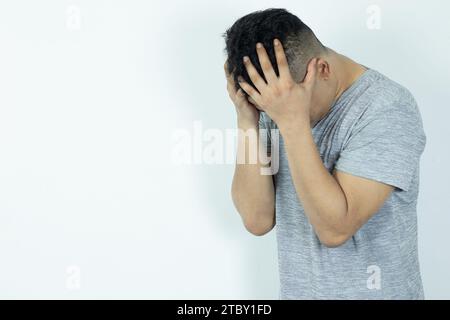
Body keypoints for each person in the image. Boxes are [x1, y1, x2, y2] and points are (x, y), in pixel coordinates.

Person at [223, 8, 426, 299]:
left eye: (287, 105)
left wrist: (292, 122)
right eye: (268, 107)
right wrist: (247, 119)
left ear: (323, 70)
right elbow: (257, 219)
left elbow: (335, 230)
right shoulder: (276, 99)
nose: (276, 114)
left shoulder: (387, 108)